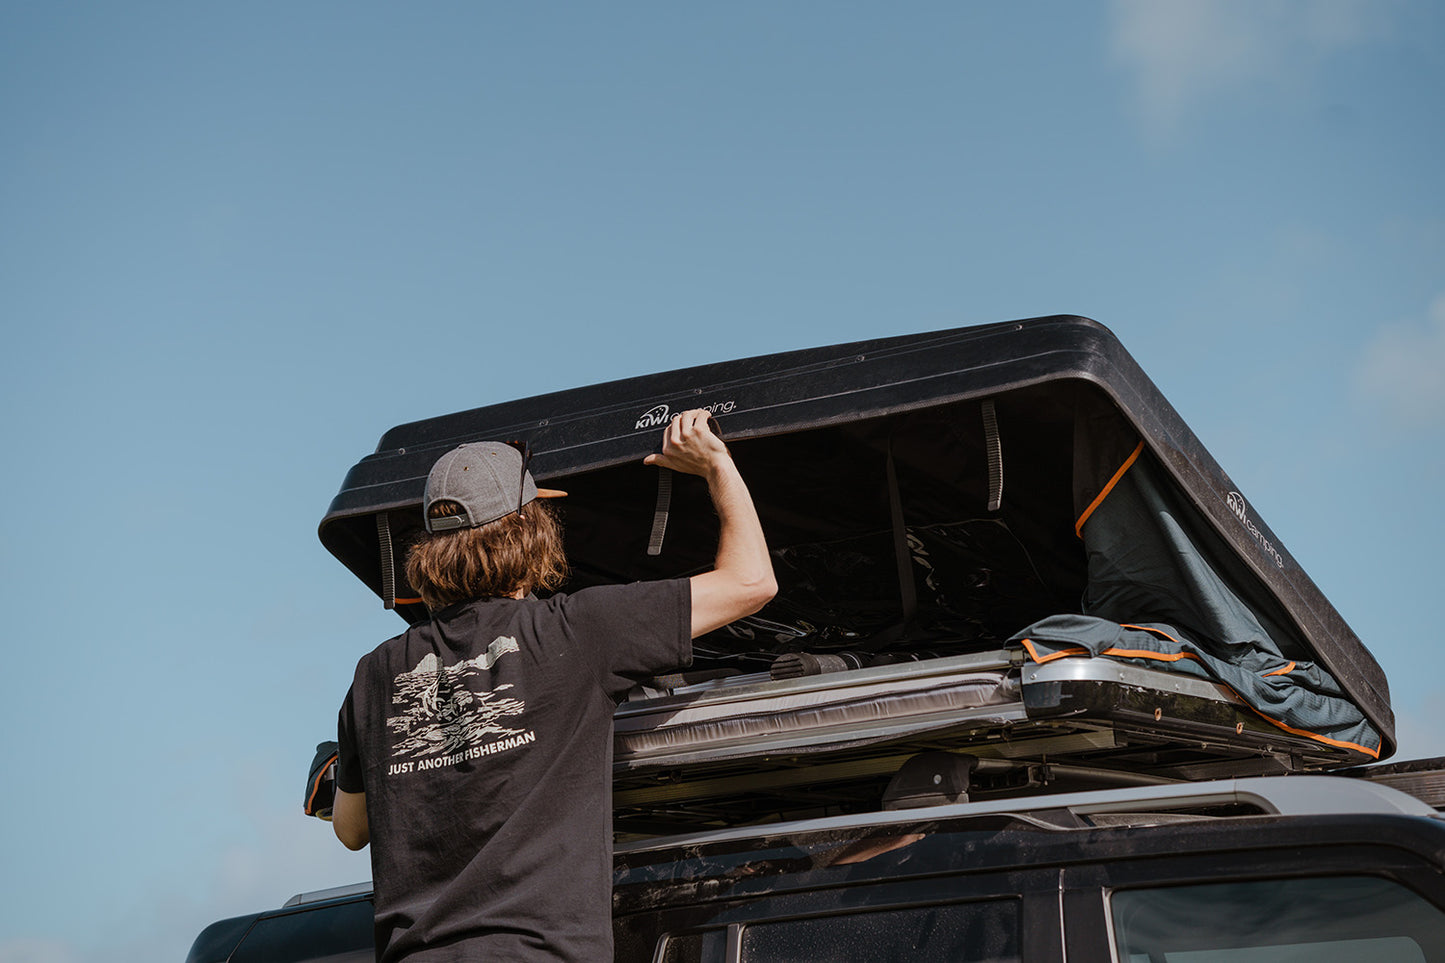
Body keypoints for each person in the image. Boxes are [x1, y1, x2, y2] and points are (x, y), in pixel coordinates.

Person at [331, 409, 775, 962]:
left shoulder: (375, 674)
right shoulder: (574, 630)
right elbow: (752, 582)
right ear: (531, 533)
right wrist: (717, 466)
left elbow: (351, 831)